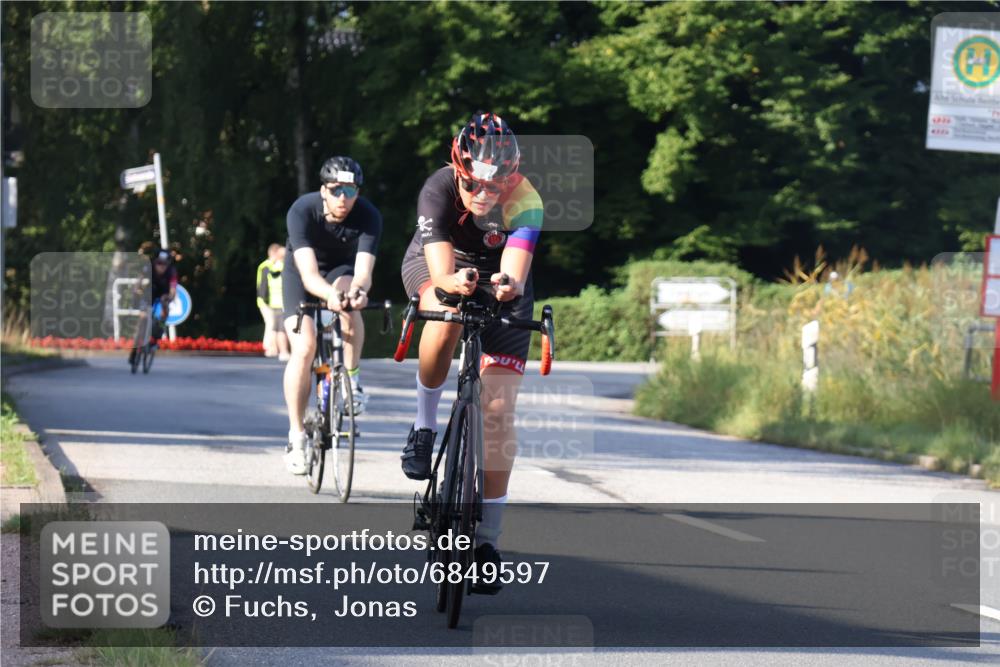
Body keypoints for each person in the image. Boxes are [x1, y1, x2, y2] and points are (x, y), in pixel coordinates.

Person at [399, 112, 543, 592]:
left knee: (498, 413)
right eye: (472, 184)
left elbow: (515, 271)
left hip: (497, 275)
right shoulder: (437, 189)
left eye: (494, 186)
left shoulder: (526, 199)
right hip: (440, 265)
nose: (483, 195)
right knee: (445, 312)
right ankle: (424, 426)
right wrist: (453, 283)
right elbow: (441, 273)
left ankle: (486, 542)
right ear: (458, 171)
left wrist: (507, 285)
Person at [282, 156, 382, 475]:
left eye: (350, 191)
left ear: (358, 193)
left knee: (351, 303)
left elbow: (363, 273)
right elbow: (310, 275)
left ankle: (352, 380)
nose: (343, 198)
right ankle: (297, 437)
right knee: (304, 347)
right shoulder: (302, 210)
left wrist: (357, 293)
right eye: (336, 190)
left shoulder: (368, 216)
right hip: (302, 275)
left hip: (340, 271)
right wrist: (329, 297)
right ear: (323, 190)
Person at [129, 248, 176, 364]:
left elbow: (173, 291)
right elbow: (139, 281)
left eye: (164, 264)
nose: (161, 267)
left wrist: (169, 298)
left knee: (165, 311)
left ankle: (156, 337)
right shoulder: (148, 267)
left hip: (164, 293)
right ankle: (134, 350)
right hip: (150, 292)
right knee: (142, 318)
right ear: (155, 262)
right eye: (159, 263)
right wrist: (136, 290)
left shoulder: (172, 272)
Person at [256, 243, 290, 361]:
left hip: (275, 302)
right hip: (267, 302)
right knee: (271, 325)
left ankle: (274, 349)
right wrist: (264, 300)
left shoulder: (274, 265)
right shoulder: (267, 266)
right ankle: (269, 348)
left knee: (275, 326)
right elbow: (263, 285)